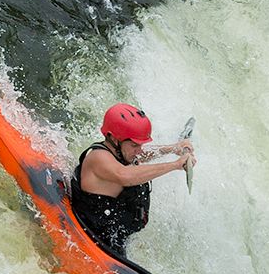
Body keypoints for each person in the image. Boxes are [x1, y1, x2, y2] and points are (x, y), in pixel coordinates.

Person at [71, 103, 194, 262]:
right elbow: (124, 176)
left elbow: (140, 157)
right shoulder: (98, 158)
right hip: (93, 240)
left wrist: (172, 149)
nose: (140, 150)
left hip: (112, 239)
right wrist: (175, 165)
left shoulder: (121, 153)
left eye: (141, 145)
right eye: (135, 145)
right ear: (114, 139)